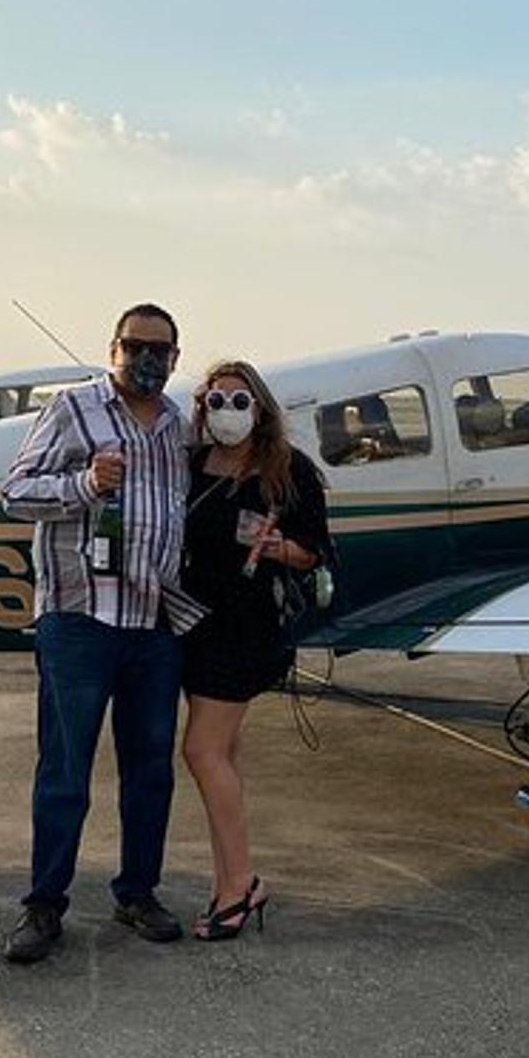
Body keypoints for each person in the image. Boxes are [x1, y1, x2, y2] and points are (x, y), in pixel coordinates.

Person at [0, 303, 202, 965]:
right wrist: (87, 484)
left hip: (153, 621)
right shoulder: (73, 408)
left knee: (150, 770)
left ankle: (137, 891)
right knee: (64, 770)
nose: (148, 358)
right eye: (135, 345)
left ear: (175, 357)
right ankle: (43, 904)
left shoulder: (178, 423)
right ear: (113, 347)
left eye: (161, 349)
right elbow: (15, 492)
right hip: (81, 618)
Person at [179, 360, 331, 940]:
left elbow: (314, 550)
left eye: (241, 401)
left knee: (201, 751)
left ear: (260, 409)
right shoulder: (193, 464)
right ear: (203, 407)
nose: (228, 411)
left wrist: (275, 548)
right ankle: (231, 882)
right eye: (217, 400)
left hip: (247, 626)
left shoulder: (287, 470)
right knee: (222, 757)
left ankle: (240, 886)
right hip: (193, 621)